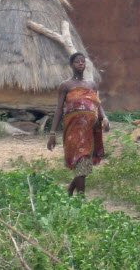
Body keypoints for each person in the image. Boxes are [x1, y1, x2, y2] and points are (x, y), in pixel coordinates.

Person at [46, 52, 109, 196]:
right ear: (71, 65)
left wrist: (105, 118)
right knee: (80, 159)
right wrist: (52, 133)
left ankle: (71, 188)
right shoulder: (65, 85)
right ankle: (81, 200)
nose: (81, 63)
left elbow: (97, 105)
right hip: (73, 130)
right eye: (77, 62)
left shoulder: (91, 85)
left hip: (90, 130)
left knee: (85, 162)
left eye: (83, 61)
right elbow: (59, 110)